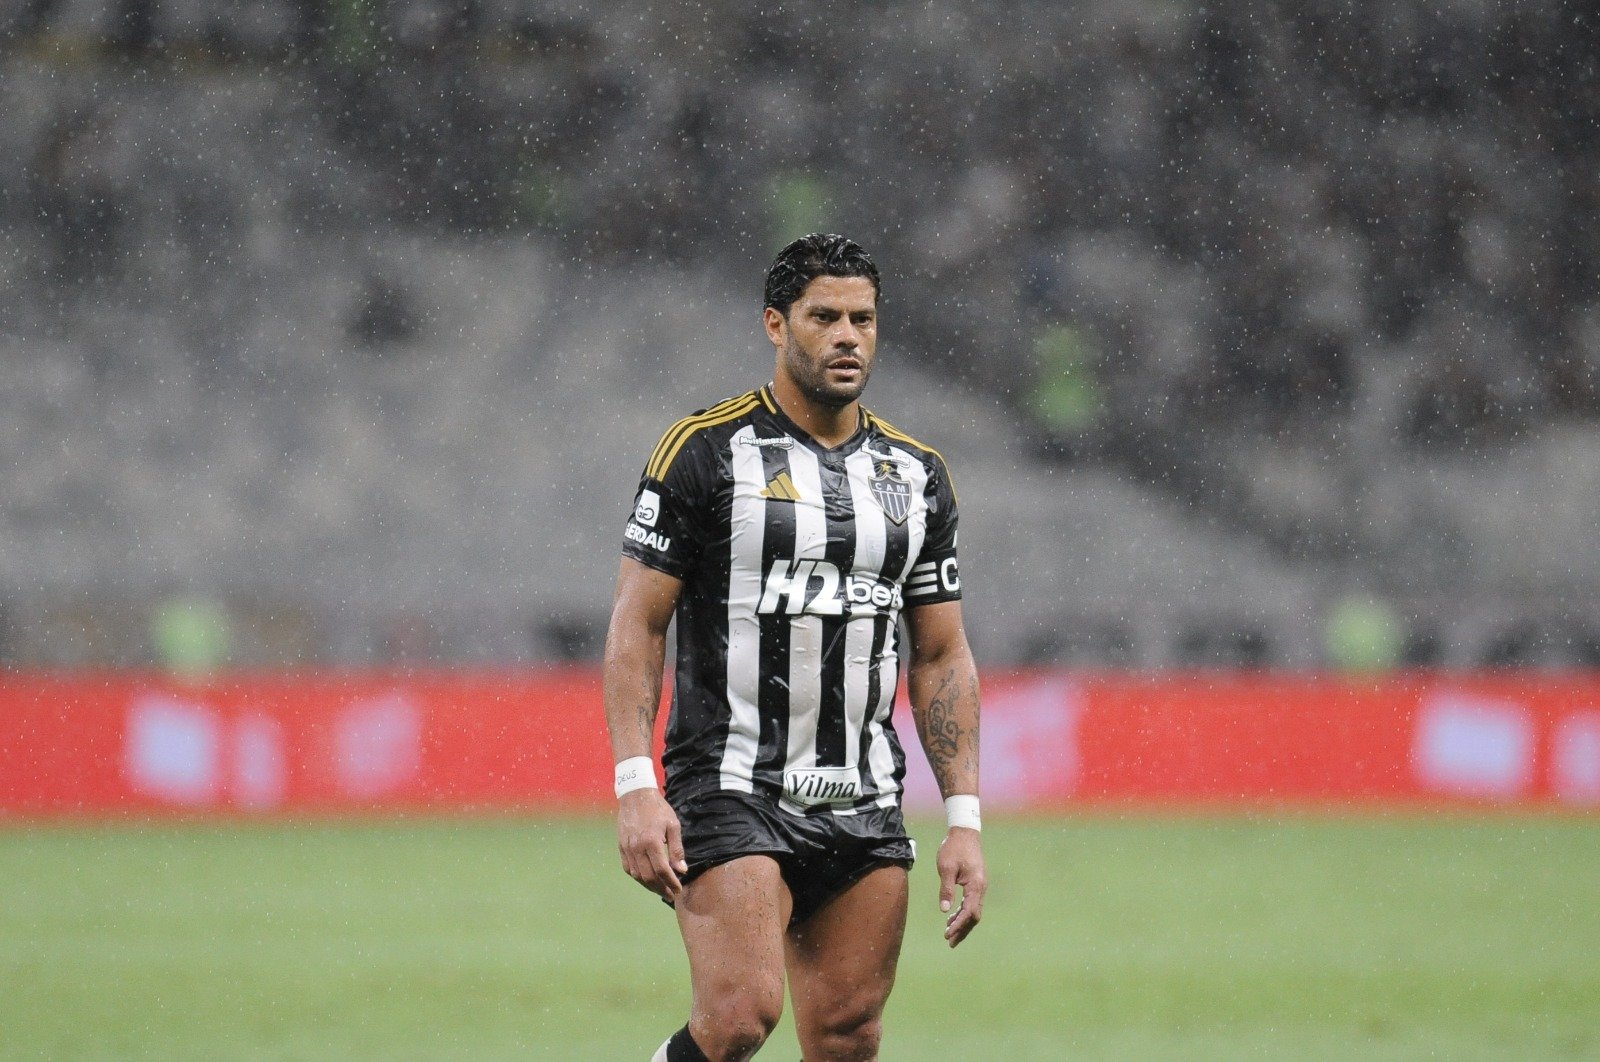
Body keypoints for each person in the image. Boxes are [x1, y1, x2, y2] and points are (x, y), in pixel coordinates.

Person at [603, 233, 987, 1062]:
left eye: (864, 319)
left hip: (862, 790)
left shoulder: (917, 476)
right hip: (732, 780)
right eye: (825, 317)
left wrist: (964, 818)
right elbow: (638, 624)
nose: (848, 335)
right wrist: (636, 784)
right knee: (741, 1015)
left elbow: (941, 654)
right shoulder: (703, 454)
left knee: (848, 1035)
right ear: (776, 325)